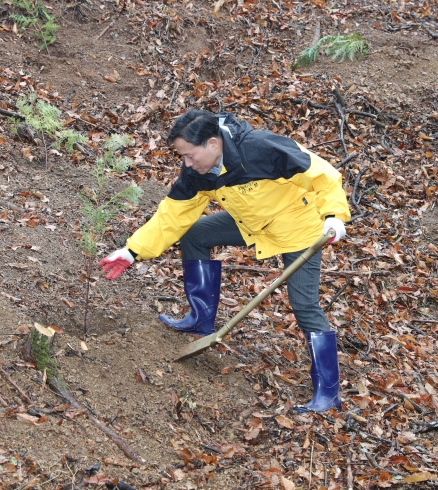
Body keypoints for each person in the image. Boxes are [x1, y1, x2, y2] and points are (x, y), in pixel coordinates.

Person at [98, 110, 351, 413]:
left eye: (191, 156)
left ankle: (327, 393)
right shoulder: (196, 172)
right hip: (253, 223)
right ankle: (201, 319)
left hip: (300, 228)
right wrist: (131, 251)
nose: (187, 164)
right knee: (194, 234)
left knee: (304, 305)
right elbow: (173, 216)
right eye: (183, 157)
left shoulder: (259, 148)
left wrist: (334, 216)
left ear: (213, 144)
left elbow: (322, 175)